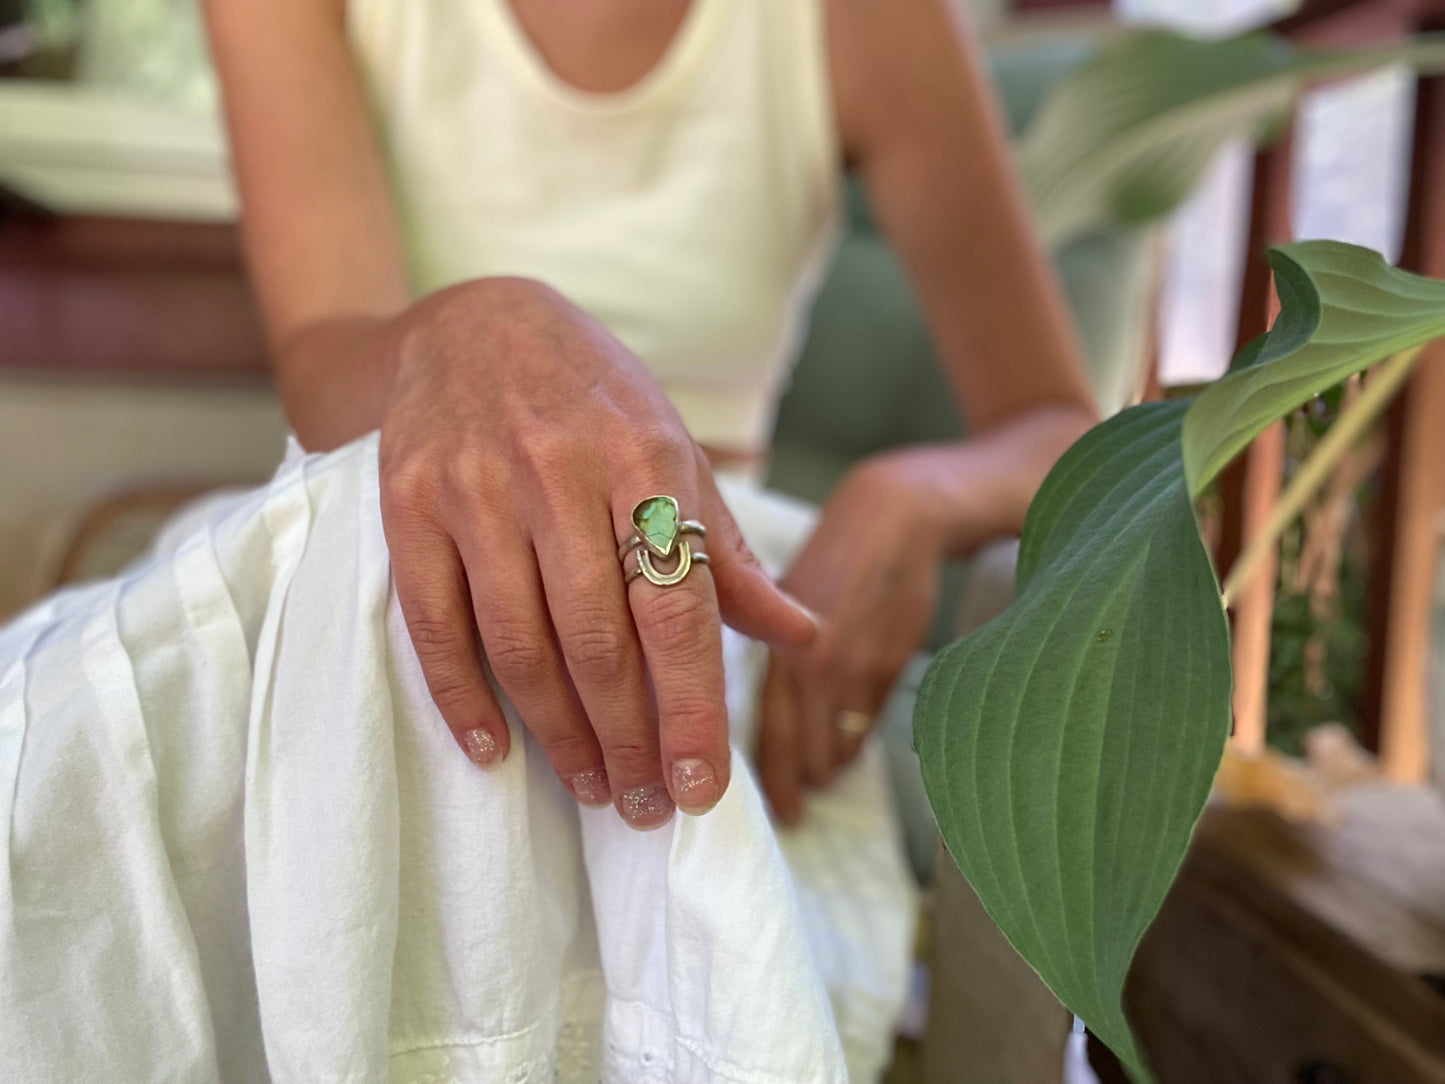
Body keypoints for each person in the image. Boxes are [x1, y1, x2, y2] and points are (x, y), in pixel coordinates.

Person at [0, 0, 1097, 1080]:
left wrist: (909, 494)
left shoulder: (868, 20)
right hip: (377, 550)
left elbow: (1063, 427)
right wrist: (470, 335)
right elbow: (325, 369)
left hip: (687, 624)